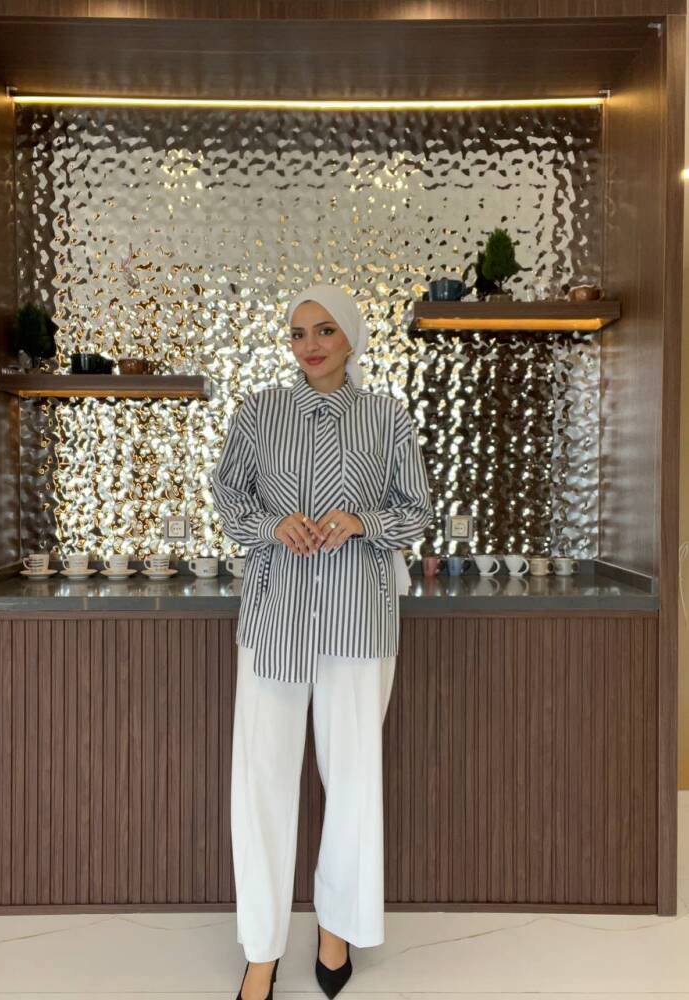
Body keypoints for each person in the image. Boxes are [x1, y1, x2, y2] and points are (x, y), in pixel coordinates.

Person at [211, 283, 433, 1000]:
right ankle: (262, 950)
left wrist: (362, 521)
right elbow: (228, 497)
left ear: (351, 337)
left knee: (353, 780)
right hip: (275, 615)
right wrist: (272, 525)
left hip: (357, 619)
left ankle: (335, 927)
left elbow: (416, 509)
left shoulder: (386, 417)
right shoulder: (258, 412)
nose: (310, 345)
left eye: (325, 330)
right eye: (298, 332)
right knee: (261, 782)